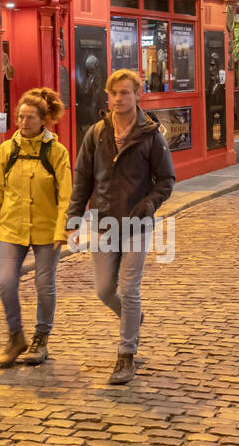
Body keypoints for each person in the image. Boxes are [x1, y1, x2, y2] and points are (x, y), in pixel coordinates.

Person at [66, 69, 176, 385]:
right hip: (103, 223)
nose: (118, 98)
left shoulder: (151, 134)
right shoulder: (96, 133)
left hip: (136, 224)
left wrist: (148, 205)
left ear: (137, 95)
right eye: (113, 93)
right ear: (107, 96)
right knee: (104, 290)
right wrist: (73, 219)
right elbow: (83, 179)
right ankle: (133, 317)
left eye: (125, 93)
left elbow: (166, 180)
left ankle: (126, 356)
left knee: (129, 289)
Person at [0, 88, 72, 367]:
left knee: (44, 284)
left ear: (44, 119)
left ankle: (41, 337)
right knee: (6, 282)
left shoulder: (57, 152)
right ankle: (15, 335)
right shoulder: (6, 150)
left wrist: (62, 230)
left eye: (30, 117)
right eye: (20, 117)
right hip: (12, 227)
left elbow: (66, 195)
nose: (23, 122)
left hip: (47, 230)